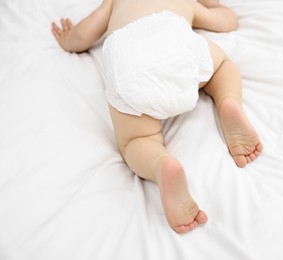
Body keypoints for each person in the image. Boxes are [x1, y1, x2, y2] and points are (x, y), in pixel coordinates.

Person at [51, 0, 262, 234]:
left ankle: (161, 164)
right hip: (174, 41)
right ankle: (228, 103)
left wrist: (68, 40)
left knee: (136, 140)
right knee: (222, 67)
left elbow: (82, 36)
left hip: (131, 61)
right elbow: (227, 21)